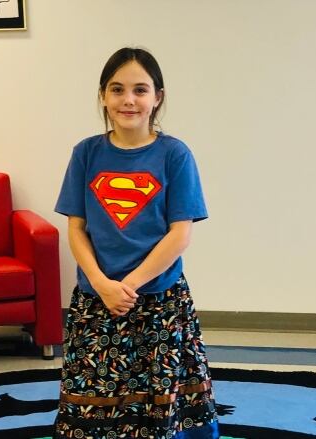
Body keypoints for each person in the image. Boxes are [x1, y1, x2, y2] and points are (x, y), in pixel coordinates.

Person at [53, 47, 219, 438]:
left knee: (157, 396)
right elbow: (76, 229)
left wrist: (128, 286)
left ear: (157, 97)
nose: (129, 100)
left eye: (140, 90)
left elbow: (180, 233)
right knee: (93, 393)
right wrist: (101, 283)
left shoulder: (174, 155)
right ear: (103, 96)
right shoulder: (86, 153)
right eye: (118, 89)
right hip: (96, 298)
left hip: (159, 300)